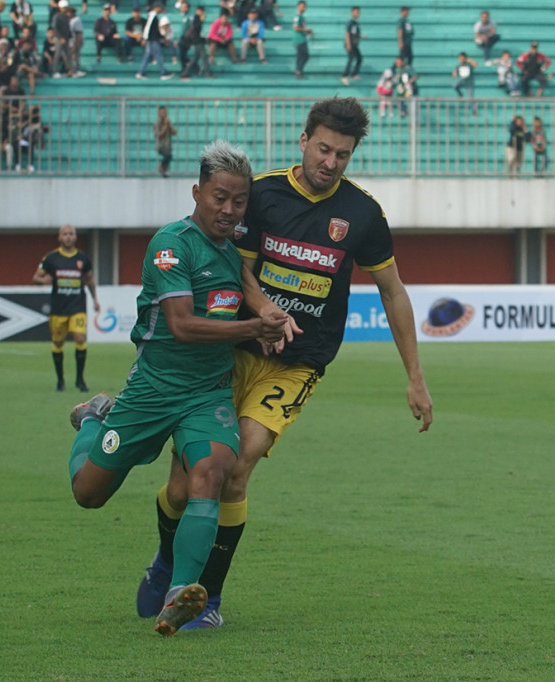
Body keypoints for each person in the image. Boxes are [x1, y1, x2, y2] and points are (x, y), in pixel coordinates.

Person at [135, 97, 434, 631]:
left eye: (343, 154)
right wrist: (264, 309)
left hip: (297, 365)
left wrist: (416, 378)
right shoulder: (265, 194)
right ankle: (165, 564)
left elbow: (392, 291)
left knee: (235, 469)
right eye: (324, 149)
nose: (331, 162)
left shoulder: (363, 214)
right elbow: (238, 267)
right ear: (303, 141)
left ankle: (206, 600)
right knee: (183, 487)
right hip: (231, 352)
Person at [65, 141, 288, 637]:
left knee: (211, 471)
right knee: (88, 495)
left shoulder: (232, 254)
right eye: (219, 198)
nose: (229, 210)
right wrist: (255, 329)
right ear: (197, 192)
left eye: (238, 201)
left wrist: (273, 314)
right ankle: (94, 418)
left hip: (207, 394)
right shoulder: (171, 244)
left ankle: (181, 597)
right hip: (151, 391)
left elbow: (251, 290)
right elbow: (183, 325)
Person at [33, 224, 101, 392]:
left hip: (77, 306)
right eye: (65, 234)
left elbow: (89, 280)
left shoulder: (83, 259)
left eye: (71, 234)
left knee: (79, 338)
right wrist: (43, 281)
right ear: (60, 237)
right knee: (58, 343)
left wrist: (95, 300)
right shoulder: (51, 258)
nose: (69, 236)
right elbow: (36, 277)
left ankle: (80, 379)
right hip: (58, 309)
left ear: (75, 237)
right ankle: (60, 380)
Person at [137, 3, 175, 79]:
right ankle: (163, 73)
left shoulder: (153, 16)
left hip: (152, 39)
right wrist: (145, 38)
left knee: (147, 56)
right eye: (160, 8)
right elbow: (149, 29)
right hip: (153, 40)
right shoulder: (153, 17)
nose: (161, 9)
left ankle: (141, 72)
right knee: (159, 56)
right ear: (156, 8)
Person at [179, 5, 212, 80]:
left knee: (195, 58)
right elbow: (195, 28)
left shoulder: (197, 18)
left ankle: (185, 73)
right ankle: (208, 73)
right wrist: (201, 20)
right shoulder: (195, 18)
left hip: (199, 40)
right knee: (204, 57)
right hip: (197, 41)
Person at [341, 6, 362, 85]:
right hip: (351, 44)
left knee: (359, 58)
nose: (357, 13)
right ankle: (344, 76)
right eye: (355, 12)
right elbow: (347, 34)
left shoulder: (356, 23)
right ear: (352, 12)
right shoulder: (351, 22)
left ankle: (354, 74)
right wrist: (348, 44)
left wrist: (361, 36)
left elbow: (355, 33)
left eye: (358, 12)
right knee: (351, 59)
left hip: (355, 45)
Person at [154, 105, 176, 177]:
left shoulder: (168, 122)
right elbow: (159, 135)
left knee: (167, 160)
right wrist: (165, 126)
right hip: (161, 146)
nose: (163, 113)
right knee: (168, 155)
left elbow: (174, 132)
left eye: (164, 112)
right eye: (161, 112)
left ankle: (164, 173)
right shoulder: (157, 124)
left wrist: (169, 125)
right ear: (159, 113)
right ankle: (161, 166)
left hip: (168, 145)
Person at [292, 1, 312, 79]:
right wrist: (306, 30)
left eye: (303, 6)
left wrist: (308, 32)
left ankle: (299, 71)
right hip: (298, 39)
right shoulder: (297, 16)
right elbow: (296, 27)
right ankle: (298, 71)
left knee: (303, 56)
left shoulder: (302, 17)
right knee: (303, 56)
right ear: (297, 7)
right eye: (301, 6)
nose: (302, 8)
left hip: (302, 39)